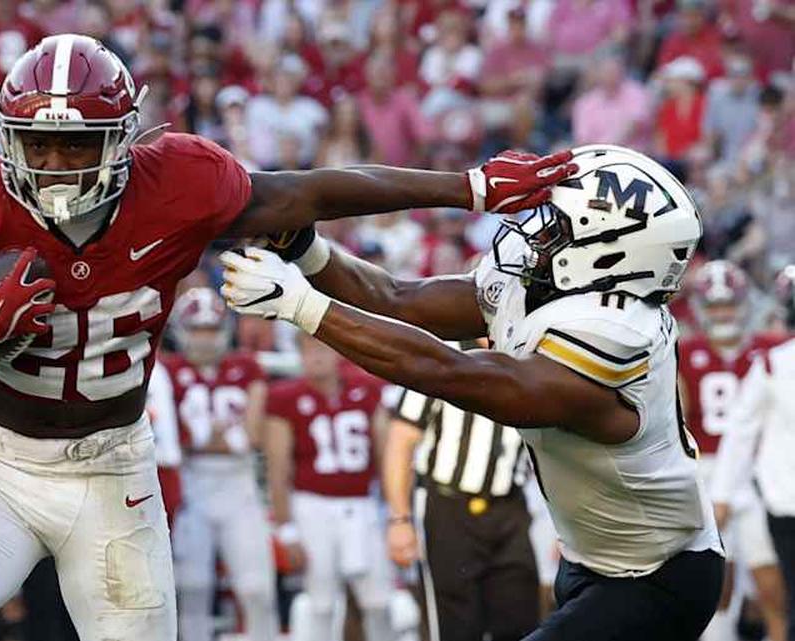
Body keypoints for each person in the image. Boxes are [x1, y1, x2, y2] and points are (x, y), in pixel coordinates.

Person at [0, 33, 571, 641]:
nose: (55, 162)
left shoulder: (180, 181)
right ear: (7, 137)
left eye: (77, 142)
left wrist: (469, 186)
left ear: (120, 138)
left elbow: (315, 192)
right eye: (38, 142)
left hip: (111, 469)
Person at [221, 144, 725, 640]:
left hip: (659, 575)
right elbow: (398, 299)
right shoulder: (554, 292)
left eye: (556, 226)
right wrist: (306, 251)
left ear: (609, 253)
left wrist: (301, 307)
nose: (533, 234)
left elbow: (449, 372)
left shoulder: (614, 334)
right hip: (594, 561)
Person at [386, 340, 538, 641]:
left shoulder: (530, 355)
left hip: (510, 506)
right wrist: (399, 520)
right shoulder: (444, 355)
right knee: (457, 624)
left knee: (522, 622)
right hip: (449, 506)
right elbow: (401, 440)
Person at [677, 260, 789, 641]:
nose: (722, 313)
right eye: (714, 305)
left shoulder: (771, 351)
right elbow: (679, 418)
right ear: (700, 308)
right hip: (706, 471)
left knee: (771, 581)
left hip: (760, 474)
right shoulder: (683, 352)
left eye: (728, 304)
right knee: (717, 583)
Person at [162, 287, 277, 641]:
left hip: (239, 487)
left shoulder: (245, 366)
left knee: (257, 589)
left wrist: (204, 440)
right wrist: (220, 439)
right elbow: (176, 440)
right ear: (182, 332)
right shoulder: (167, 371)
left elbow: (254, 435)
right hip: (192, 488)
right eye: (198, 330)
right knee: (193, 588)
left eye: (211, 330)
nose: (205, 340)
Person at [265, 332, 393, 641]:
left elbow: (386, 456)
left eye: (322, 347)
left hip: (363, 505)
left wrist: (395, 513)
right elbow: (278, 468)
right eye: (308, 349)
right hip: (312, 506)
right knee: (320, 603)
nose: (316, 356)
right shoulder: (286, 397)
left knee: (379, 601)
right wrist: (287, 529)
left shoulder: (367, 391)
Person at [711, 310, 795, 641]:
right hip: (786, 498)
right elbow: (741, 430)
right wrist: (721, 493)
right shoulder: (776, 364)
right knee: (783, 596)